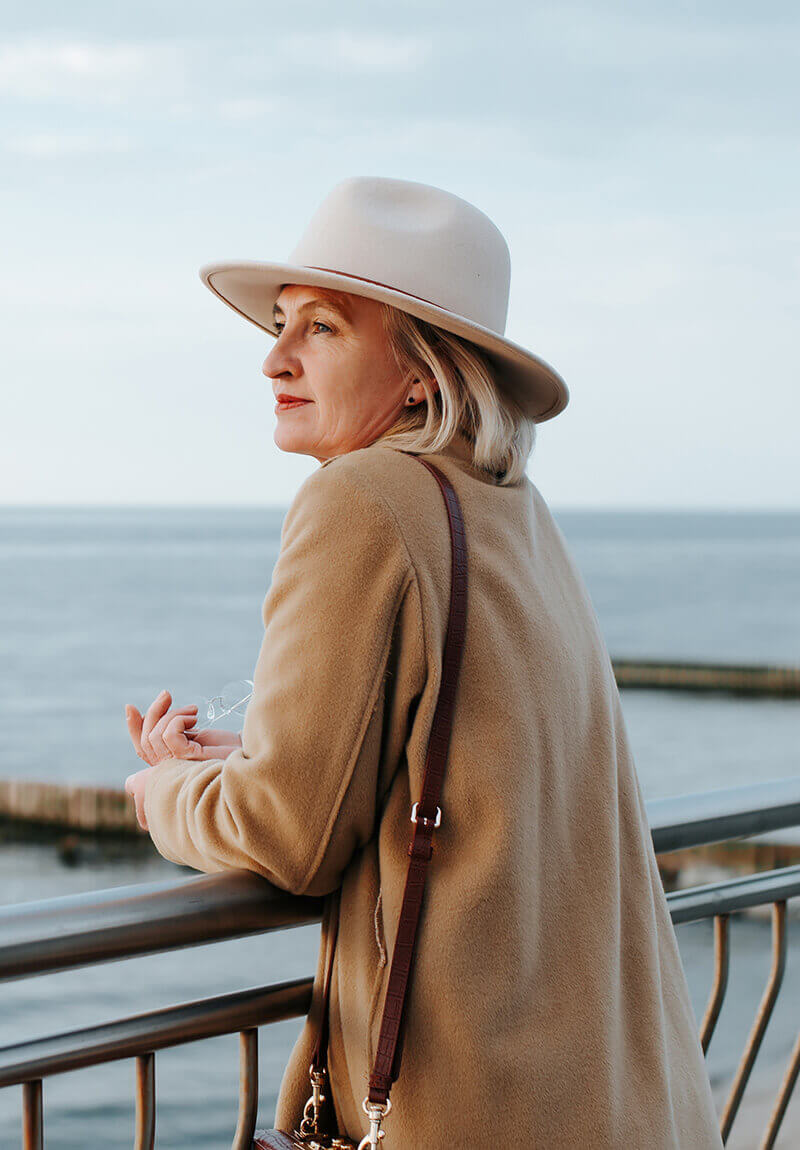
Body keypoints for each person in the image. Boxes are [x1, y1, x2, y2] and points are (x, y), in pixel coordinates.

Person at [124, 176, 723, 1148]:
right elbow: (466, 758)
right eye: (279, 325)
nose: (274, 358)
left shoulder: (359, 498)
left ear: (419, 370)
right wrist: (239, 758)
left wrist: (161, 795)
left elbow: (289, 834)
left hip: (470, 1111)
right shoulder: (510, 509)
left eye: (320, 329)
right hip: (617, 1100)